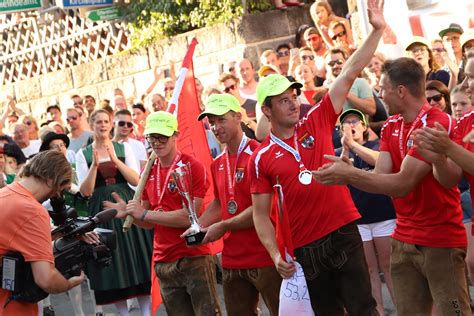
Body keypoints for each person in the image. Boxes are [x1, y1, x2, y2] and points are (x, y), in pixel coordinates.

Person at [249, 0, 386, 313]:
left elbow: (350, 71)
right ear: (267, 111)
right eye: (283, 101)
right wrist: (274, 253)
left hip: (343, 230)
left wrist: (377, 30)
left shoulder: (317, 118)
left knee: (364, 308)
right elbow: (260, 214)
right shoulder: (261, 157)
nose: (294, 103)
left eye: (293, 96)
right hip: (305, 247)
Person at [313, 56, 470, 315]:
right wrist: (351, 171)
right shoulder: (392, 126)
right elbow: (382, 176)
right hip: (403, 238)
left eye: (382, 89)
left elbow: (401, 185)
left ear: (401, 91)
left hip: (439, 240)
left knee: (454, 312)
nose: (379, 96)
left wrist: (350, 176)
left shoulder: (435, 123)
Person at [105, 111, 222, 315]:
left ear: (175, 135)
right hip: (163, 259)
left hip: (193, 256)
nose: (156, 143)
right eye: (152, 137)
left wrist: (144, 214)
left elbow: (189, 218)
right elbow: (148, 222)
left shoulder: (192, 166)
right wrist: (129, 213)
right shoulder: (149, 170)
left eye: (162, 137)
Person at [196, 94, 281, 315]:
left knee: (282, 311)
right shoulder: (217, 164)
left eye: (221, 119)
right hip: (232, 259)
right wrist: (197, 226)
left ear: (238, 117)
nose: (216, 127)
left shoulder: (259, 154)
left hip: (265, 255)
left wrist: (223, 226)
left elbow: (261, 208)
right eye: (212, 122)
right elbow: (219, 203)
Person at [76, 109, 152, 314]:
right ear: (92, 125)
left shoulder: (123, 147)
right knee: (113, 260)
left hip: (125, 201)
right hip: (100, 208)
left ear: (111, 125)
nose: (102, 125)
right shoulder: (82, 154)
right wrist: (94, 166)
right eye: (98, 122)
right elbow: (86, 191)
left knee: (138, 256)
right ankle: (123, 312)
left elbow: (136, 180)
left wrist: (115, 160)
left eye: (106, 121)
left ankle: (146, 312)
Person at [0, 150, 85, 315]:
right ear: (51, 179)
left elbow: (15, 237)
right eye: (60, 187)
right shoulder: (33, 210)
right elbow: (46, 279)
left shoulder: (4, 194)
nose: (56, 195)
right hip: (11, 307)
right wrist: (69, 284)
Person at [335, 109, 396, 315]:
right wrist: (346, 147)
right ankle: (378, 310)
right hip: (359, 220)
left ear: (364, 126)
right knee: (370, 269)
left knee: (388, 266)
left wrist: (353, 145)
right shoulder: (338, 152)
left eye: (355, 121)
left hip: (383, 215)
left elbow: (379, 161)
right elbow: (339, 174)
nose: (351, 126)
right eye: (346, 123)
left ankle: (401, 307)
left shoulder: (375, 146)